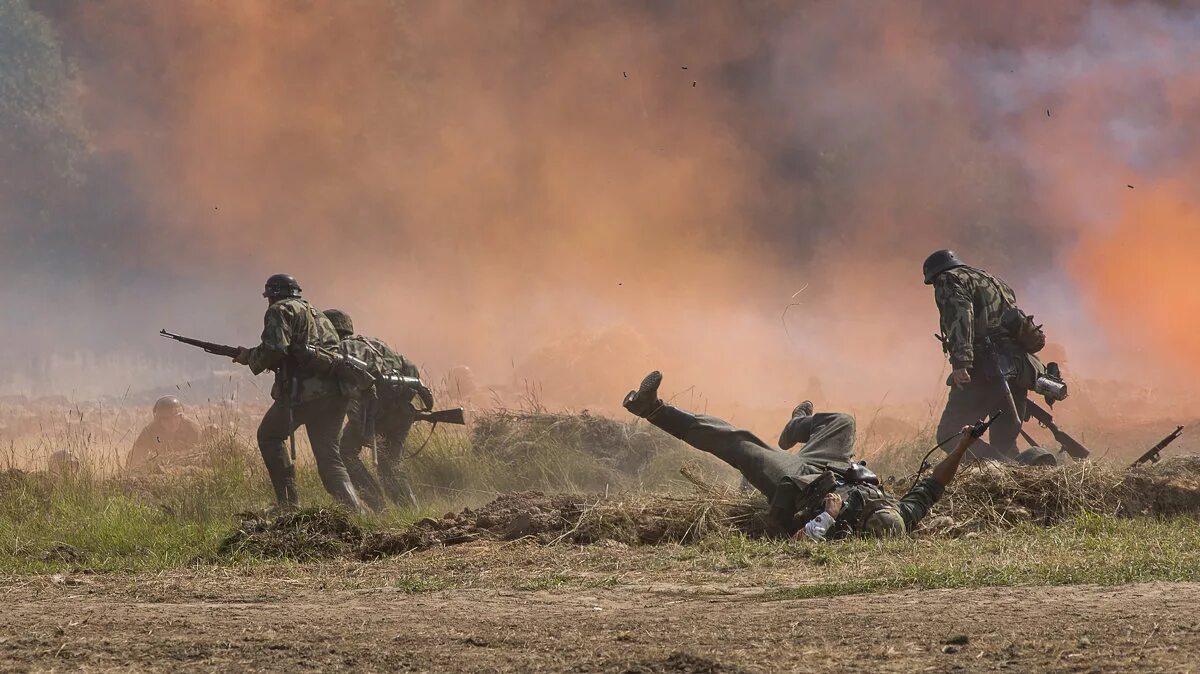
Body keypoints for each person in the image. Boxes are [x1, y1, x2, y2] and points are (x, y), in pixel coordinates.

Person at [622, 371, 980, 540]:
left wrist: (827, 515)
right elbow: (935, 484)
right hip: (836, 464)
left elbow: (800, 543)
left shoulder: (843, 530)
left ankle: (651, 409)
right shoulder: (902, 515)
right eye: (880, 506)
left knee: (737, 441)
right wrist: (963, 445)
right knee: (843, 421)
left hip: (797, 480)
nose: (875, 505)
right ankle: (797, 426)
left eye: (873, 510)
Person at [231, 274, 363, 512]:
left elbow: (275, 349)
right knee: (330, 459)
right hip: (336, 393)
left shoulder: (279, 310)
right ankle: (357, 512)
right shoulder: (317, 314)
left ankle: (289, 506)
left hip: (304, 393)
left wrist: (249, 357)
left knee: (269, 436)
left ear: (272, 295)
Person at [923, 249, 1049, 463]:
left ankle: (1004, 469)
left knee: (950, 434)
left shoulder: (949, 279)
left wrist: (961, 363)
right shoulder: (992, 280)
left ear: (935, 275)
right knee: (1004, 442)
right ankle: (1019, 480)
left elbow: (960, 317)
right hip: (1017, 368)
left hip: (985, 368)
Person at [323, 308, 430, 511]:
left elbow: (347, 391)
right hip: (403, 410)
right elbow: (411, 368)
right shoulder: (374, 343)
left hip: (374, 412)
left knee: (346, 451)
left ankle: (379, 507)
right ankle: (411, 511)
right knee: (391, 464)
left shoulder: (341, 349)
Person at [126, 396, 203, 471]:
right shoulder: (149, 432)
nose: (173, 422)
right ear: (159, 420)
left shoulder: (192, 430)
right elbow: (135, 455)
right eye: (167, 419)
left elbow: (199, 455)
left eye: (176, 417)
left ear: (181, 416)